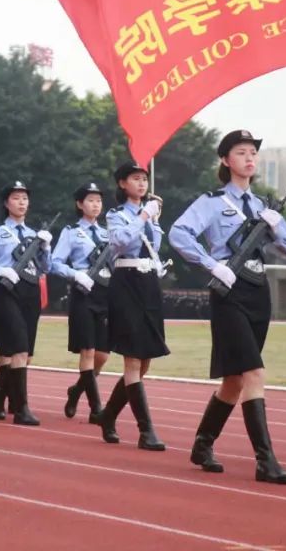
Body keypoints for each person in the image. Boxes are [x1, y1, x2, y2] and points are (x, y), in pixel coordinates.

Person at [169, 130, 286, 484]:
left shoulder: (262, 206)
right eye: (241, 152)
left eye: (253, 153)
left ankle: (203, 442)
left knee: (233, 380)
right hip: (229, 290)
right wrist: (212, 264)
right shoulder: (212, 202)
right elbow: (179, 233)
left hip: (259, 291)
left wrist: (276, 228)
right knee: (253, 372)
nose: (249, 158)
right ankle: (265, 460)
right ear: (226, 161)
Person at [99, 162, 169, 451]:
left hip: (149, 282)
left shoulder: (151, 214)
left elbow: (156, 247)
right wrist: (143, 215)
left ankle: (108, 416)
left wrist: (153, 218)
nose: (141, 184)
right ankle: (146, 430)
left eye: (144, 179)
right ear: (122, 184)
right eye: (135, 179)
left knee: (146, 360)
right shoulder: (116, 215)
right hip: (126, 283)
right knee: (132, 359)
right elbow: (119, 243)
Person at [0, 180, 52, 425]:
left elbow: (45, 268)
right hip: (7, 291)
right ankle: (21, 408)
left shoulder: (33, 235)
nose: (21, 202)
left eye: (25, 198)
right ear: (6, 203)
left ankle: (0, 393)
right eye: (16, 198)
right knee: (17, 347)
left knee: (19, 351)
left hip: (30, 291)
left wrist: (46, 248)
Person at [50, 182, 111, 424]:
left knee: (103, 355)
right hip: (83, 292)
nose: (96, 205)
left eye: (99, 200)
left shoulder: (108, 233)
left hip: (105, 293)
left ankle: (77, 390)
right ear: (79, 204)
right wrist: (76, 274)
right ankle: (96, 408)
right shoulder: (71, 232)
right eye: (90, 200)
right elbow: (55, 262)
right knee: (87, 350)